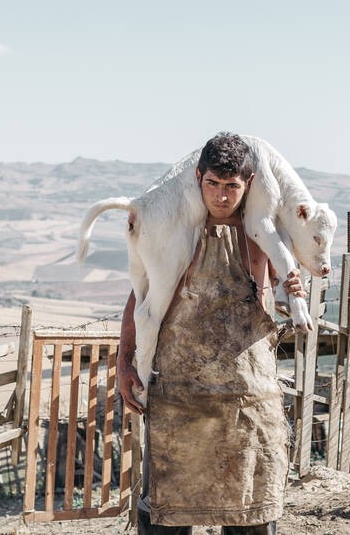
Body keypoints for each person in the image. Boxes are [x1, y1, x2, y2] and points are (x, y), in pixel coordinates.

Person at [117, 132, 307, 535]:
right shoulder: (174, 234)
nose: (221, 196)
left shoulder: (267, 243)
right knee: (166, 516)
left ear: (248, 184)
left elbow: (290, 298)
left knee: (251, 518)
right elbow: (141, 299)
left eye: (232, 187)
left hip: (248, 408)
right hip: (178, 405)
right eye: (212, 185)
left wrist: (292, 289)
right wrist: (124, 361)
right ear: (198, 178)